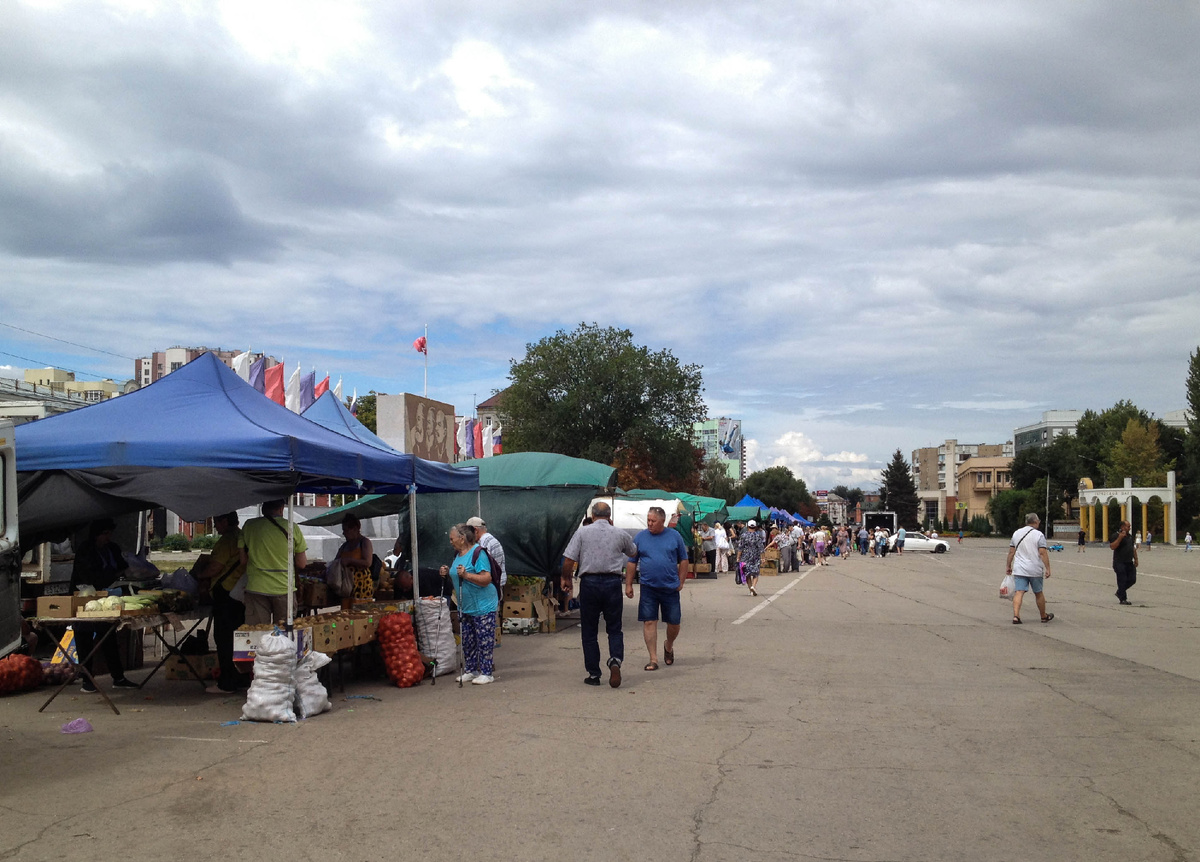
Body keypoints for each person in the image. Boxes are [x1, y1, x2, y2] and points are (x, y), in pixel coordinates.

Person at [561, 501, 637, 688]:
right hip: (612, 584)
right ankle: (615, 660)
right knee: (614, 628)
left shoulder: (582, 533)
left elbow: (569, 559)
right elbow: (633, 551)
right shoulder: (620, 533)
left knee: (589, 630)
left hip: (590, 584)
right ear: (610, 517)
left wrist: (566, 578)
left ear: (593, 516)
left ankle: (594, 674)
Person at [70, 518, 138, 692]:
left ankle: (118, 677)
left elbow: (124, 567)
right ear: (96, 535)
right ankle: (87, 679)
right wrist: (113, 575)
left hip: (107, 597)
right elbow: (90, 577)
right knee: (84, 637)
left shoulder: (112, 549)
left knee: (108, 636)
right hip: (85, 597)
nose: (108, 537)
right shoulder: (86, 550)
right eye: (104, 534)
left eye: (110, 534)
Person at [627, 506, 687, 672]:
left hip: (670, 587)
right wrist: (629, 584)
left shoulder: (675, 536)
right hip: (648, 587)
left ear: (662, 521)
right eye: (648, 520)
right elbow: (632, 561)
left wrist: (681, 581)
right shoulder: (640, 537)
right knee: (649, 621)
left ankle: (668, 646)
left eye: (653, 521)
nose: (650, 524)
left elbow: (684, 560)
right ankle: (653, 658)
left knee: (674, 622)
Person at [441, 524, 498, 684]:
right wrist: (446, 572)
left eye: (452, 539)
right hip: (465, 606)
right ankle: (471, 670)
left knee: (484, 639)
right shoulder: (457, 554)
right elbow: (456, 573)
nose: (450, 542)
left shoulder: (478, 553)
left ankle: (487, 673)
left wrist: (467, 575)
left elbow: (486, 579)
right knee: (468, 639)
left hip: (483, 605)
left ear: (462, 538)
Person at [239, 499, 308, 626]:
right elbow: (302, 564)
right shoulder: (292, 528)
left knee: (257, 632)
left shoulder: (249, 526)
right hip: (283, 588)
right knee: (283, 635)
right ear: (281, 508)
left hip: (256, 588)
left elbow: (243, 560)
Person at [200, 512, 248, 692]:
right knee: (240, 638)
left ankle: (227, 681)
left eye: (216, 522)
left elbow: (215, 567)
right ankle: (242, 677)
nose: (214, 527)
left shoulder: (226, 541)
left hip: (226, 593)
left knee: (224, 638)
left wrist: (199, 575)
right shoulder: (242, 536)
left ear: (225, 521)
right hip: (239, 593)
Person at [1005, 513, 1053, 624]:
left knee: (1019, 592)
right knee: (1038, 592)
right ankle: (1043, 616)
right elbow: (1042, 553)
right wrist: (1048, 568)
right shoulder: (1039, 535)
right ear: (1036, 522)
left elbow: (1011, 552)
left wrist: (1008, 566)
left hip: (1020, 568)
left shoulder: (1016, 533)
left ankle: (1016, 616)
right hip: (1035, 569)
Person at [336, 514, 376, 599]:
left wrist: (350, 560)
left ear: (355, 529)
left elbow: (368, 562)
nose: (344, 533)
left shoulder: (364, 542)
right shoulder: (344, 546)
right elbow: (336, 561)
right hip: (346, 586)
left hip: (361, 585)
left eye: (346, 530)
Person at [467, 516, 506, 599]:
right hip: (496, 583)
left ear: (475, 530)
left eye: (468, 532)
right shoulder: (490, 539)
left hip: (490, 586)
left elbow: (484, 567)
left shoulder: (483, 543)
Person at [1110, 520, 1138, 605]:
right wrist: (1120, 538)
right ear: (1122, 527)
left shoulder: (1129, 536)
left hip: (1129, 562)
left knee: (1132, 579)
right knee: (1122, 580)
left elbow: (1132, 548)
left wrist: (1136, 559)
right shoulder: (1115, 535)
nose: (1129, 528)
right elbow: (1112, 546)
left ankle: (1120, 592)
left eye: (1129, 526)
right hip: (1119, 562)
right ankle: (1123, 599)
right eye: (1128, 526)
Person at [736, 520, 766, 596]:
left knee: (747, 574)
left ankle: (750, 590)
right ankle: (753, 586)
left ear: (747, 526)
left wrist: (738, 557)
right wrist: (763, 558)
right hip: (755, 556)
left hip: (745, 557)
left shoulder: (743, 535)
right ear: (755, 527)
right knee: (756, 573)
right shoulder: (758, 536)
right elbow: (761, 548)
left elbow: (740, 547)